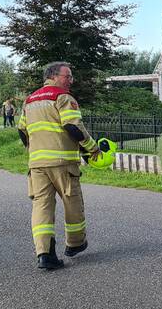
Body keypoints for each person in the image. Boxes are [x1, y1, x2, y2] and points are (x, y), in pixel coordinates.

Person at [17, 62, 100, 270]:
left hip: (37, 164)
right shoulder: (63, 98)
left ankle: (44, 255)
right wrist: (92, 148)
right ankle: (75, 244)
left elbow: (21, 130)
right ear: (53, 76)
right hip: (63, 163)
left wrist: (33, 149)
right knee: (72, 202)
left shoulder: (30, 100)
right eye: (67, 76)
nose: (71, 80)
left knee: (41, 206)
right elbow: (72, 126)